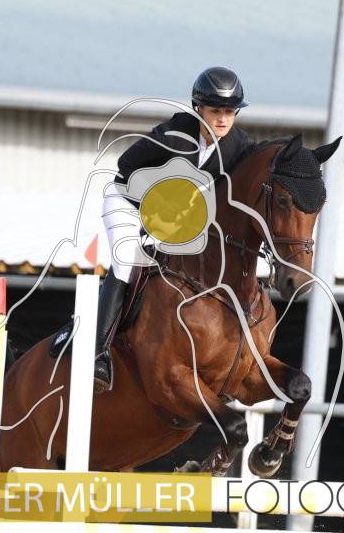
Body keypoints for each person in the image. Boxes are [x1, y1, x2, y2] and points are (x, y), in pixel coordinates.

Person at [94, 66, 255, 393]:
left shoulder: (238, 146)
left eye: (229, 112)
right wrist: (163, 205)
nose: (223, 119)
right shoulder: (173, 134)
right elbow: (126, 166)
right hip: (130, 202)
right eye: (216, 111)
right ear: (198, 108)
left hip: (178, 219)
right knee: (127, 261)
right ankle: (99, 352)